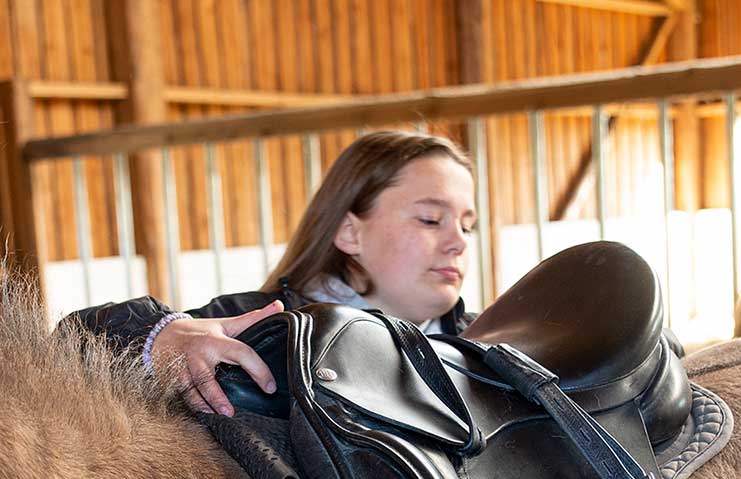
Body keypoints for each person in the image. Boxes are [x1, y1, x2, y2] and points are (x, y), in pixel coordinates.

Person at [69, 131, 477, 417]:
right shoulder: (261, 328)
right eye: (430, 219)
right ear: (350, 232)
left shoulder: (488, 347)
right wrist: (158, 338)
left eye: (467, 225)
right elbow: (71, 344)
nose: (457, 241)